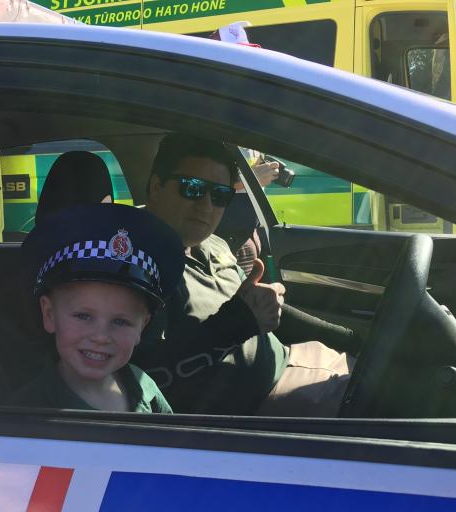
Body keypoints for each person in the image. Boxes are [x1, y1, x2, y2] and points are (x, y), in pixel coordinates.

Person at [134, 133, 360, 416]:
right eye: (191, 188)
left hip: (291, 360)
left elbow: (254, 309)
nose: (206, 205)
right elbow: (147, 379)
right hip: (260, 406)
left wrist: (350, 338)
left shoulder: (211, 244)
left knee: (386, 374)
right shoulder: (135, 267)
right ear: (156, 186)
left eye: (220, 195)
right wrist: (234, 324)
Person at [9, 202, 184, 412]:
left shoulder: (144, 387)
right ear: (49, 314)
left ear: (142, 326)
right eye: (83, 316)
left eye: (120, 321)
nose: (100, 337)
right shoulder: (25, 414)